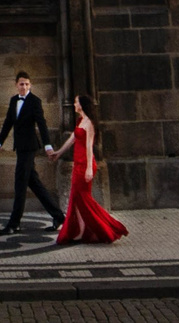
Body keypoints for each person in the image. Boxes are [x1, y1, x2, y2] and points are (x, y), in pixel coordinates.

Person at [0, 72, 62, 234]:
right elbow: (7, 123)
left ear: (30, 85)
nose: (24, 87)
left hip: (30, 147)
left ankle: (14, 223)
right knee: (34, 184)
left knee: (20, 183)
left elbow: (42, 125)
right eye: (21, 84)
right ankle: (58, 215)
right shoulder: (13, 100)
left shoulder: (34, 101)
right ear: (16, 84)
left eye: (26, 84)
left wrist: (48, 146)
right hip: (20, 147)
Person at [54, 92, 127, 246]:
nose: (74, 104)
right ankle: (81, 231)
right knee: (77, 199)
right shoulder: (81, 120)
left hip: (85, 164)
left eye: (75, 102)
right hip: (78, 164)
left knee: (84, 199)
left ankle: (107, 226)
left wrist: (88, 168)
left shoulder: (89, 124)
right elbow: (72, 139)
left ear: (82, 105)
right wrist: (59, 153)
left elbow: (89, 147)